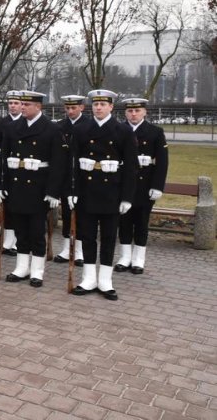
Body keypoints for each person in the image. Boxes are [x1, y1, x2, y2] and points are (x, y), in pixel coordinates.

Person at [69, 89, 138, 301]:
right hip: (87, 191)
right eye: (95, 104)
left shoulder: (122, 131)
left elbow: (131, 168)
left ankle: (106, 280)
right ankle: (89, 278)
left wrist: (127, 197)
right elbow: (72, 164)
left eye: (103, 104)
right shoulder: (82, 129)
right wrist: (72, 191)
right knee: (87, 236)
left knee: (108, 237)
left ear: (111, 107)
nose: (98, 108)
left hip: (112, 192)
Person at [0, 91, 66, 287]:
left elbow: (58, 163)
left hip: (38, 188)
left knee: (36, 231)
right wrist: (1, 185)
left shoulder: (51, 130)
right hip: (16, 186)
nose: (23, 108)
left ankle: (37, 270)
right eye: (22, 104)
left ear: (39, 107)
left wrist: (53, 191)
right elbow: (3, 159)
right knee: (20, 230)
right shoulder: (12, 128)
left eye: (27, 105)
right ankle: (22, 267)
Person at [115, 98, 168, 275]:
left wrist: (158, 186)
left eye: (137, 110)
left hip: (145, 184)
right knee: (124, 221)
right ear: (125, 113)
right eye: (130, 111)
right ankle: (124, 257)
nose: (134, 114)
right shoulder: (118, 130)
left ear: (145, 112)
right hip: (122, 183)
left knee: (141, 222)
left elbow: (162, 162)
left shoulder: (155, 132)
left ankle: (138, 259)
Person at [53, 95, 90, 265]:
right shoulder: (60, 126)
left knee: (82, 214)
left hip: (84, 177)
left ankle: (80, 250)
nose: (70, 111)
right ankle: (67, 248)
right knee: (67, 214)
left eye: (73, 108)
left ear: (82, 107)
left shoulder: (89, 125)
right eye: (67, 108)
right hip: (65, 176)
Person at [0, 90, 24, 255]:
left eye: (16, 103)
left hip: (21, 170)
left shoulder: (25, 122)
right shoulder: (2, 123)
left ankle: (18, 241)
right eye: (10, 103)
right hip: (5, 168)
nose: (12, 106)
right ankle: (8, 240)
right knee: (7, 206)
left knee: (19, 206)